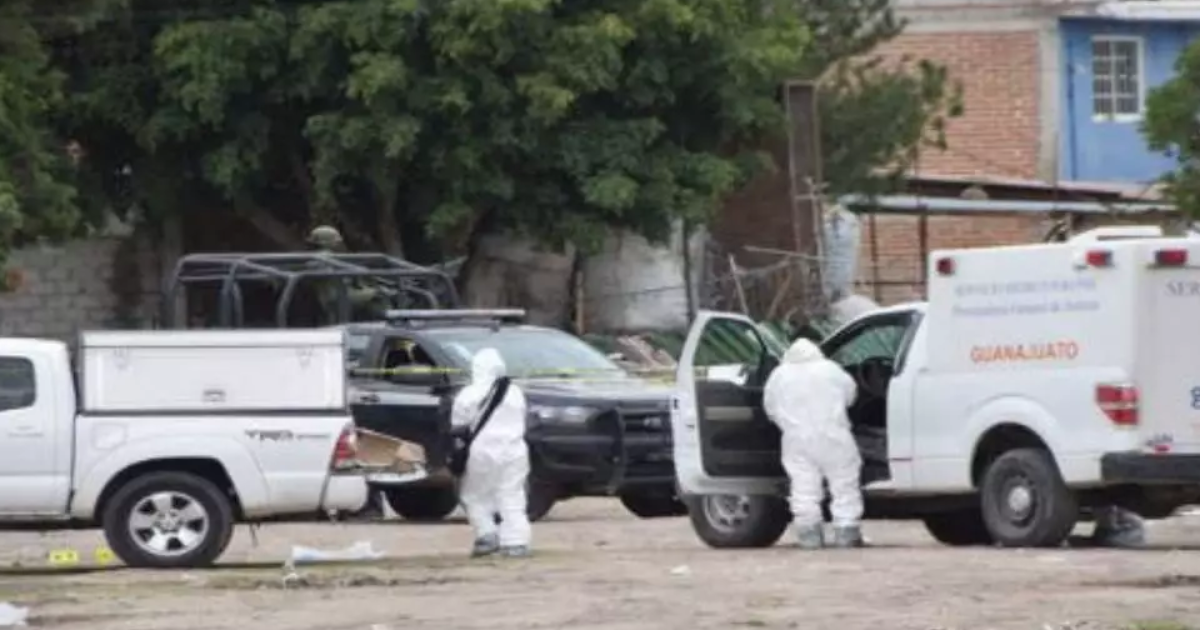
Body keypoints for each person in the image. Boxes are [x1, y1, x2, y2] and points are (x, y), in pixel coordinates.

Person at [763, 338, 863, 549]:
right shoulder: (831, 369)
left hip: (796, 439)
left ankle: (809, 536)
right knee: (843, 482)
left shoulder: (779, 375)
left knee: (803, 485)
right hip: (834, 435)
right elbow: (851, 395)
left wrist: (788, 423)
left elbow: (770, 408)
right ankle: (846, 531)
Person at [452, 348, 531, 558]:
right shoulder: (515, 392)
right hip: (515, 450)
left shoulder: (468, 394)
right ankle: (516, 542)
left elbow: (458, 426)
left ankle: (486, 534)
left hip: (482, 451)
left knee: (473, 495)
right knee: (512, 494)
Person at [305, 225, 385, 324]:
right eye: (335, 240)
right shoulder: (321, 256)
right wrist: (352, 270)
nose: (338, 243)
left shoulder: (330, 255)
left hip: (341, 292)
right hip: (335, 296)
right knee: (377, 295)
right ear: (326, 242)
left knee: (375, 292)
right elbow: (324, 268)